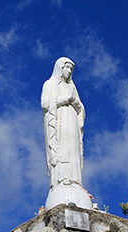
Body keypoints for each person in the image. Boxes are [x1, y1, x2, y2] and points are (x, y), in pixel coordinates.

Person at [41, 57, 85, 189]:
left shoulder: (72, 87)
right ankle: (60, 179)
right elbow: (44, 103)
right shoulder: (49, 84)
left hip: (72, 122)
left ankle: (75, 181)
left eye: (71, 69)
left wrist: (74, 101)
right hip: (58, 122)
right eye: (67, 68)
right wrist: (65, 99)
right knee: (62, 148)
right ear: (60, 68)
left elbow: (81, 108)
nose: (70, 71)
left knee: (73, 148)